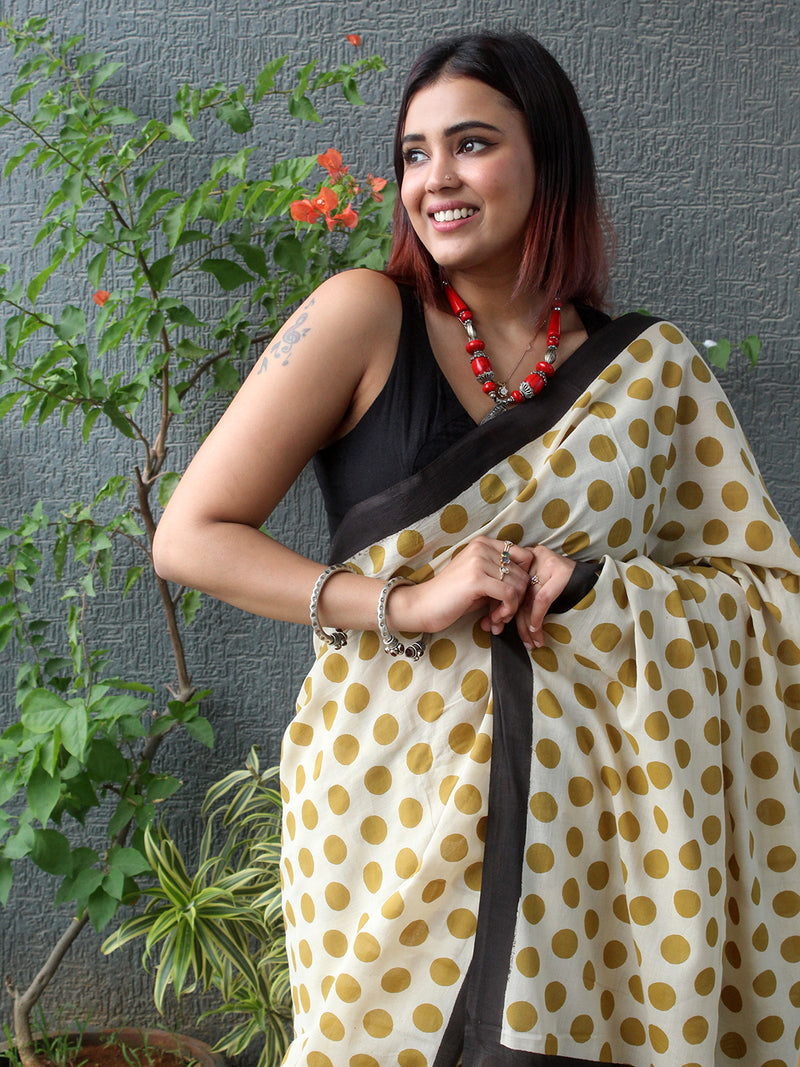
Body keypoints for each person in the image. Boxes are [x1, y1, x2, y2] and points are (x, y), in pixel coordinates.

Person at [154, 31, 800, 1067]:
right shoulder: (362, 314)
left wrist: (596, 586)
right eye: (413, 153)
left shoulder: (652, 372)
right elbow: (190, 536)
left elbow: (768, 602)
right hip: (390, 807)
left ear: (548, 158)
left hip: (602, 835)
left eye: (470, 144)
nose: (434, 179)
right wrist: (403, 602)